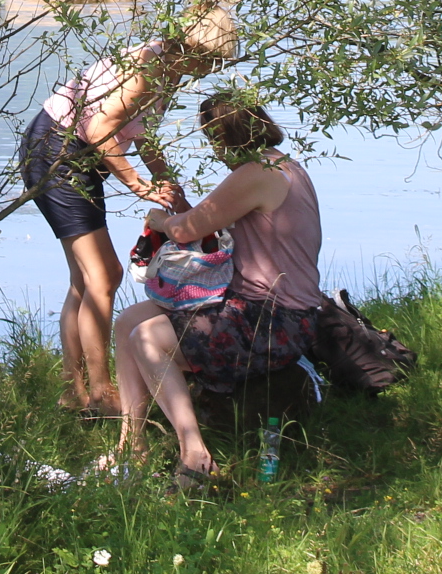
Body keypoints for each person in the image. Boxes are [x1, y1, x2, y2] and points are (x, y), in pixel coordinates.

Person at [20, 4, 241, 416]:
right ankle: (102, 395)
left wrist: (178, 199)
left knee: (88, 279)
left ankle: (73, 392)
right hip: (57, 149)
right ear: (191, 46)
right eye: (210, 59)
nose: (211, 69)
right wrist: (139, 185)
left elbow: (141, 135)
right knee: (104, 276)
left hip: (76, 152)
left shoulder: (168, 71)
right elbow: (100, 129)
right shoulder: (147, 69)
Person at [106, 90, 323, 486]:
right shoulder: (281, 166)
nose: (213, 150)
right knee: (128, 322)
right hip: (251, 303)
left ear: (224, 136)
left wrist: (159, 220)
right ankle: (130, 444)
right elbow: (205, 220)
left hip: (278, 319)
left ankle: (195, 455)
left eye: (212, 140)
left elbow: (189, 229)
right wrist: (183, 210)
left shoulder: (256, 173)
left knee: (147, 338)